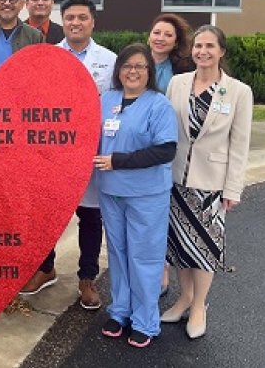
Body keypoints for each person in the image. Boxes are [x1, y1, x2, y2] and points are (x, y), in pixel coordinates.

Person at [20, 0, 116, 312]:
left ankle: (87, 279)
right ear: (63, 21)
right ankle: (45, 267)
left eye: (82, 18)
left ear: (93, 22)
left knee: (90, 216)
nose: (76, 23)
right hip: (52, 154)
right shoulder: (46, 56)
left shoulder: (110, 61)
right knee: (47, 216)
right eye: (70, 17)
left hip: (90, 154)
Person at [161, 25, 253, 340]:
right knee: (180, 247)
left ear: (221, 51)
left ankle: (199, 305)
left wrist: (233, 188)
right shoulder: (177, 83)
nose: (203, 52)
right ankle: (183, 298)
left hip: (211, 184)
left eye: (210, 46)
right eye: (198, 46)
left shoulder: (238, 91)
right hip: (174, 180)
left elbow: (240, 145)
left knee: (205, 248)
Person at [96, 43, 178, 348]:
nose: (132, 71)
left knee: (144, 257)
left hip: (146, 193)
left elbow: (165, 149)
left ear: (149, 72)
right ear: (118, 70)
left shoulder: (159, 104)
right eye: (127, 66)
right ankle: (120, 311)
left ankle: (145, 320)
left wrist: (119, 161)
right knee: (117, 254)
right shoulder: (107, 100)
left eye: (139, 66)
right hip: (111, 191)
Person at [147, 13, 195, 296]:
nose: (160, 38)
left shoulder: (183, 69)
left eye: (167, 34)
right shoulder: (136, 61)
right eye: (157, 32)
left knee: (165, 210)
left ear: (176, 41)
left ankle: (163, 268)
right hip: (139, 148)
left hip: (170, 146)